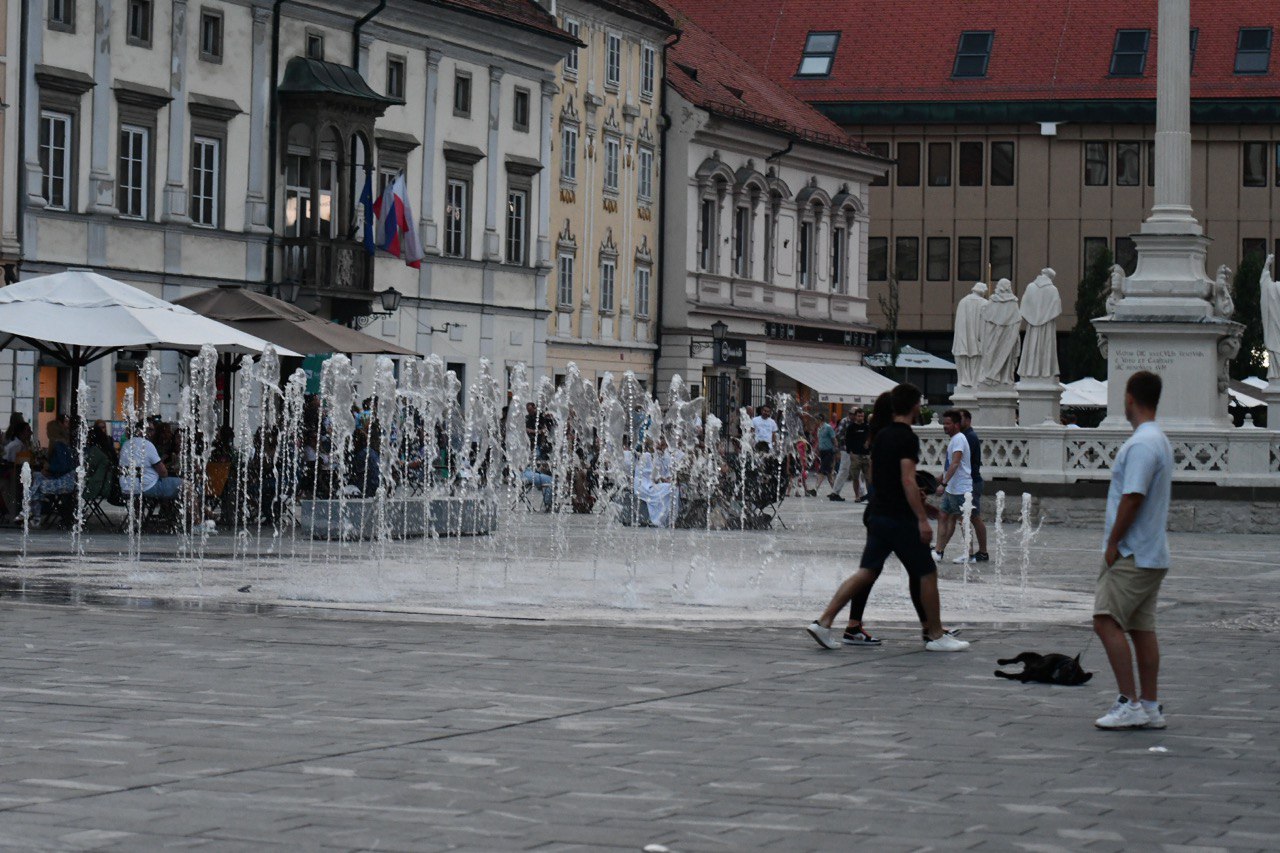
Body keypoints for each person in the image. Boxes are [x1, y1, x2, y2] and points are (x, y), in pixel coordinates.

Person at [805, 383, 970, 653]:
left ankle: (823, 622)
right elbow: (907, 479)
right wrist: (920, 518)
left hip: (879, 514)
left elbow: (877, 478)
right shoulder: (906, 437)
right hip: (900, 517)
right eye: (919, 403)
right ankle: (937, 635)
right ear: (915, 406)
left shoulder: (880, 436)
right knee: (927, 573)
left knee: (866, 571)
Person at [1093, 371, 1173, 730]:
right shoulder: (1160, 440)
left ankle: (1130, 702)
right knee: (1141, 628)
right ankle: (1151, 705)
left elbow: (1133, 496)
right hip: (1152, 552)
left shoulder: (1142, 444)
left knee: (1106, 620)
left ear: (1129, 398)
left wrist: (1113, 543)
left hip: (1133, 553)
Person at [931, 410, 972, 562]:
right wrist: (941, 477)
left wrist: (943, 483)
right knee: (943, 515)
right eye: (944, 423)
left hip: (960, 487)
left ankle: (970, 554)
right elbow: (952, 464)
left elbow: (956, 463)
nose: (945, 426)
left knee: (963, 520)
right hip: (952, 488)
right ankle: (939, 550)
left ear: (956, 424)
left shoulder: (959, 439)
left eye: (948, 423)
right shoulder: (955, 439)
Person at [954, 409, 989, 563]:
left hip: (971, 482)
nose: (957, 423)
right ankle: (977, 552)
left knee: (971, 517)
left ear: (968, 420)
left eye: (959, 419)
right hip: (972, 481)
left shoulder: (968, 437)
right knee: (970, 517)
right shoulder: (967, 436)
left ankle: (975, 552)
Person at [119, 422, 184, 501]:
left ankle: (162, 511)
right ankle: (193, 513)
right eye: (149, 430)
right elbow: (163, 473)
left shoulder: (126, 444)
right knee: (188, 486)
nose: (152, 433)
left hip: (127, 487)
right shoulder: (147, 444)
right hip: (147, 487)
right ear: (140, 430)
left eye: (152, 430)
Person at [816, 415, 837, 491]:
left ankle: (816, 488)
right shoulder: (819, 429)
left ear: (820, 419)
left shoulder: (828, 427)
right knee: (828, 473)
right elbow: (820, 440)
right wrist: (817, 449)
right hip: (822, 452)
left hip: (828, 451)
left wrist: (836, 450)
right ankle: (835, 490)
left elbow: (834, 438)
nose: (816, 421)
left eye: (817, 419)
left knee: (822, 470)